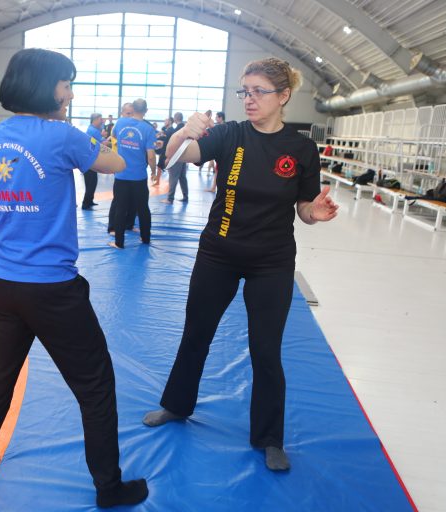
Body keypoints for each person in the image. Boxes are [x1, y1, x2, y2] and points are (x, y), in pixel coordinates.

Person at [0, 48, 148, 509]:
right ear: (46, 87)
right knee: (95, 386)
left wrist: (19, 208)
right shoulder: (63, 136)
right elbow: (118, 166)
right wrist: (107, 135)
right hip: (52, 289)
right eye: (67, 85)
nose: (70, 94)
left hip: (1, 285)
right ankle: (109, 487)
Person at [142, 58, 339, 472]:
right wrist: (183, 131)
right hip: (219, 253)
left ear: (283, 96)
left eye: (259, 92)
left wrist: (313, 213)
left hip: (272, 260)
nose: (249, 99)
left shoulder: (301, 149)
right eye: (245, 92)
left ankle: (269, 437)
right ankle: (177, 405)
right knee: (196, 333)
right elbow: (176, 156)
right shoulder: (230, 134)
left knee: (266, 350)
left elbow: (304, 207)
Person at [107, 98, 156, 249]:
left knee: (120, 209)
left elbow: (113, 135)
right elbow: (151, 156)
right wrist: (154, 171)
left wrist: (125, 146)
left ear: (133, 109)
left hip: (121, 175)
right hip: (139, 176)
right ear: (146, 111)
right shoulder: (148, 129)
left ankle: (119, 242)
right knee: (143, 208)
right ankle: (145, 238)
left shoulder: (121, 122)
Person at [162, 112, 188, 204]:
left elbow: (175, 144)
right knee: (182, 177)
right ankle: (185, 196)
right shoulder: (185, 128)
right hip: (184, 156)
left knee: (173, 177)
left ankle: (170, 198)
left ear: (175, 118)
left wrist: (169, 157)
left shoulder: (178, 130)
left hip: (177, 156)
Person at [82, 112, 105, 210]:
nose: (102, 121)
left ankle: (89, 200)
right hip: (89, 160)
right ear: (95, 120)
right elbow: (102, 143)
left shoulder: (93, 129)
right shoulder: (93, 130)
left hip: (91, 160)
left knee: (92, 182)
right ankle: (85, 204)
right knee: (91, 183)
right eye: (100, 119)